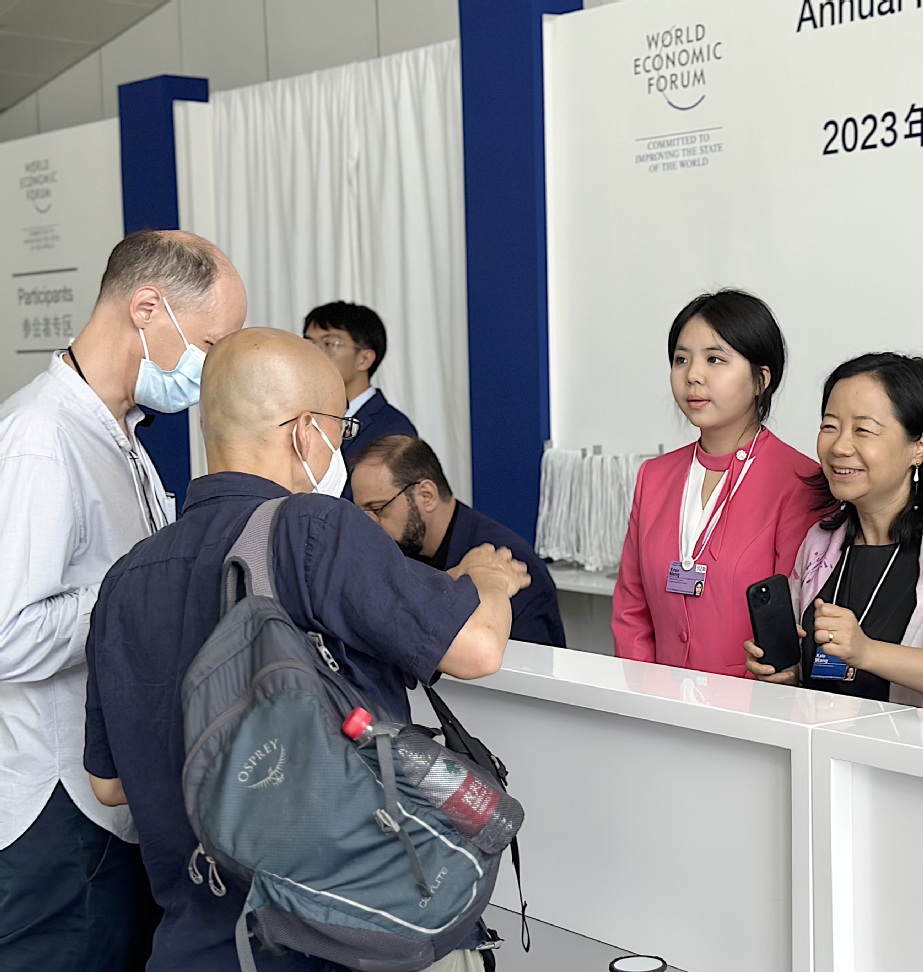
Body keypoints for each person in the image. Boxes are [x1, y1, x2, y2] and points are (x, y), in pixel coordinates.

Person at [83, 328, 528, 972]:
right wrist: (486, 580)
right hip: (340, 940)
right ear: (304, 432)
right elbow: (478, 648)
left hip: (199, 944)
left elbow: (110, 785)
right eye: (340, 429)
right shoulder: (313, 527)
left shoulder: (127, 577)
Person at [0, 230, 246, 970]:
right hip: (56, 807)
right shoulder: (39, 439)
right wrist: (136, 597)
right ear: (147, 308)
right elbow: (7, 635)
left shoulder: (123, 437)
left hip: (115, 794)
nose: (212, 367)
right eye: (210, 343)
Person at [745, 352, 923, 706]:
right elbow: (819, 673)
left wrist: (867, 652)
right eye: (830, 426)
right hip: (819, 741)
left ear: (919, 447)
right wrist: (789, 672)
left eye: (863, 430)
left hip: (909, 743)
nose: (839, 446)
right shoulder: (820, 542)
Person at [612, 289, 823, 678]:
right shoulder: (654, 477)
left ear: (761, 379)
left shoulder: (801, 482)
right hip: (657, 701)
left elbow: (795, 616)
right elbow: (631, 608)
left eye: (714, 359)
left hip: (751, 702)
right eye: (681, 359)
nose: (693, 375)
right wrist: (644, 693)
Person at [352, 435, 567, 648]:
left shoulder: (509, 564)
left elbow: (525, 666)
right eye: (362, 514)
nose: (370, 525)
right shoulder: (392, 551)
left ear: (426, 496)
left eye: (378, 509)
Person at [302, 300, 417, 497]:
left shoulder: (392, 429)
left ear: (364, 359)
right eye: (309, 342)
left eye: (329, 344)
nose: (314, 352)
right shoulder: (302, 417)